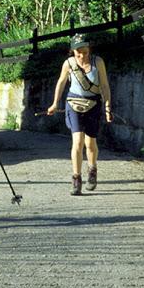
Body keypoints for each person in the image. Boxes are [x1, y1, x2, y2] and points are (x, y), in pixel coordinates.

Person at [47, 34, 113, 195]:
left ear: (89, 48)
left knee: (90, 144)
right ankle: (76, 179)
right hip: (74, 104)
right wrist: (55, 103)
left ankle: (92, 170)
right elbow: (61, 82)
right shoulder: (68, 64)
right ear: (73, 51)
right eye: (78, 52)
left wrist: (107, 106)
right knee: (77, 142)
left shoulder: (98, 62)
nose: (82, 55)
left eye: (84, 51)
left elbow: (104, 85)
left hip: (94, 104)